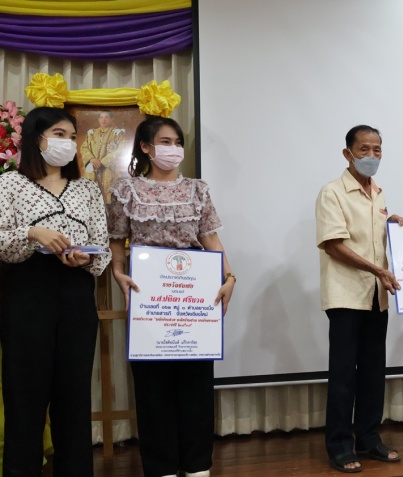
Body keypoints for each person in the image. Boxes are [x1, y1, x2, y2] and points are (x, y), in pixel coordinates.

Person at [107, 116, 234, 477]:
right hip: (149, 294)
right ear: (146, 147)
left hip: (195, 292)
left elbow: (210, 238)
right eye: (165, 142)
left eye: (178, 142)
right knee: (152, 385)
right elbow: (117, 240)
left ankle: (197, 465)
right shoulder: (126, 190)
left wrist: (229, 277)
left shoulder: (197, 189)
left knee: (196, 382)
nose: (173, 149)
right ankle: (160, 466)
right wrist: (118, 272)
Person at [0, 106, 110, 475]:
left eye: (72, 137)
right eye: (59, 135)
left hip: (76, 292)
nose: (68, 143)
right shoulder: (10, 184)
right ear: (36, 138)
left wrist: (86, 258)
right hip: (26, 292)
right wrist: (33, 233)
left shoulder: (87, 188)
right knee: (24, 394)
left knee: (73, 394)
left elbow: (102, 246)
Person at [315, 125, 403, 473]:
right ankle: (339, 446)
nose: (371, 156)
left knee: (372, 372)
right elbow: (334, 245)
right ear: (347, 153)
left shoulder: (378, 193)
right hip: (346, 296)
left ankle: (368, 438)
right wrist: (378, 270)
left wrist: (394, 225)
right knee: (343, 376)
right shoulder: (332, 192)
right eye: (364, 149)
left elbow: (373, 239)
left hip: (377, 298)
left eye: (377, 149)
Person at [81, 109, 125, 204]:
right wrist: (92, 159)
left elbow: (121, 150)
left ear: (112, 119)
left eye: (106, 117)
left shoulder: (117, 133)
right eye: (101, 117)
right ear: (98, 120)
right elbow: (84, 148)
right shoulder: (91, 133)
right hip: (92, 168)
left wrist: (103, 162)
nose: (103, 120)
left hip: (108, 169)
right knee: (91, 197)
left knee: (108, 196)